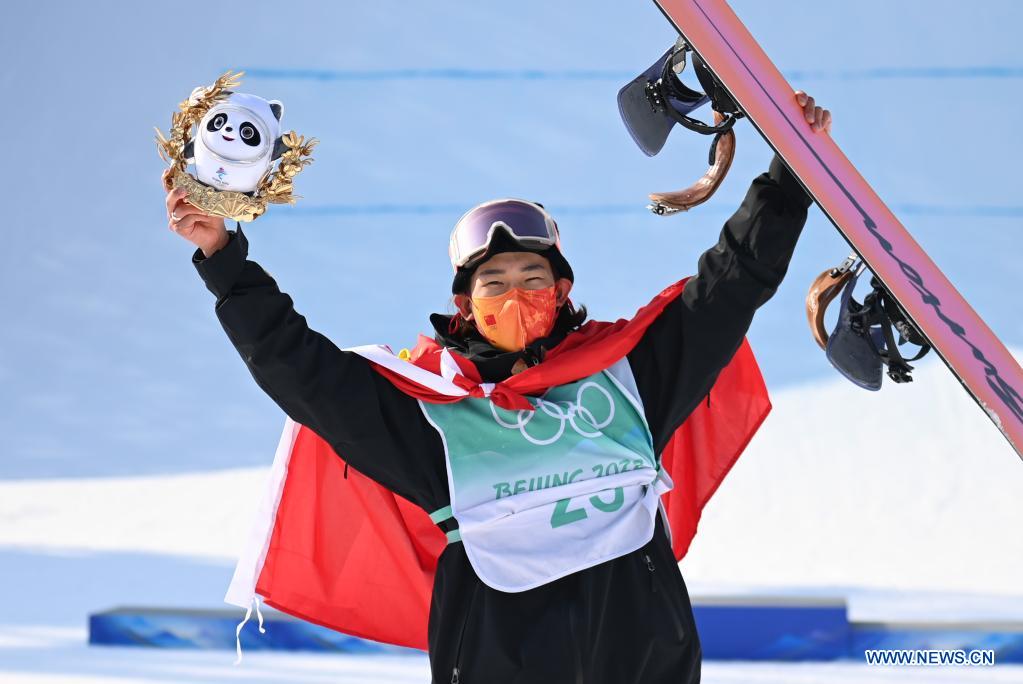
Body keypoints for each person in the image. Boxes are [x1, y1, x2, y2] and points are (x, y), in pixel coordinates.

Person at [165, 92, 831, 683]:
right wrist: (223, 258)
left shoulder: (631, 377)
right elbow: (299, 369)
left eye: (533, 278)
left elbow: (729, 285)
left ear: (561, 291)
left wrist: (788, 177)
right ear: (465, 307)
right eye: (495, 283)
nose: (516, 294)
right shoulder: (433, 420)